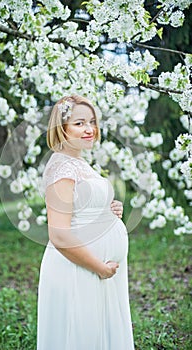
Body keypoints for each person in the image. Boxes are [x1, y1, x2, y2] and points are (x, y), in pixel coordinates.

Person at [37, 95, 134, 350]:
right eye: (79, 123)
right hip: (80, 270)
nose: (90, 129)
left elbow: (82, 205)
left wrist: (108, 208)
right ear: (62, 128)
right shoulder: (62, 168)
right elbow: (59, 235)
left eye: (92, 122)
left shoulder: (78, 162)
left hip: (97, 270)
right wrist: (99, 268)